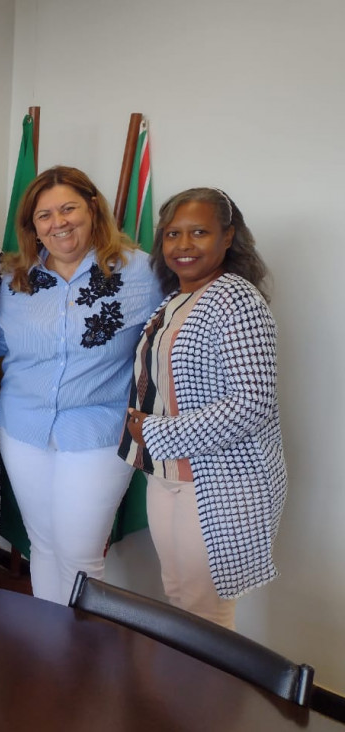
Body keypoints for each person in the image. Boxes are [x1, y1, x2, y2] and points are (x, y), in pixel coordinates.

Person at [0, 166, 163, 604]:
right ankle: (52, 650)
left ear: (92, 207)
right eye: (44, 215)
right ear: (32, 227)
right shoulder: (13, 282)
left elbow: (180, 332)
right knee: (42, 546)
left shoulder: (142, 273)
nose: (58, 222)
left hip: (98, 433)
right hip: (23, 430)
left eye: (68, 208)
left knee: (82, 556)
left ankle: (81, 661)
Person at [119, 188, 285, 629]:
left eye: (199, 232)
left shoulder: (236, 299)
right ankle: (186, 694)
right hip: (170, 476)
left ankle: (209, 698)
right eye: (173, 234)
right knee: (179, 596)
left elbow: (252, 403)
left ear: (228, 238)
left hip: (219, 483)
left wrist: (156, 433)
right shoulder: (174, 298)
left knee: (205, 613)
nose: (184, 245)